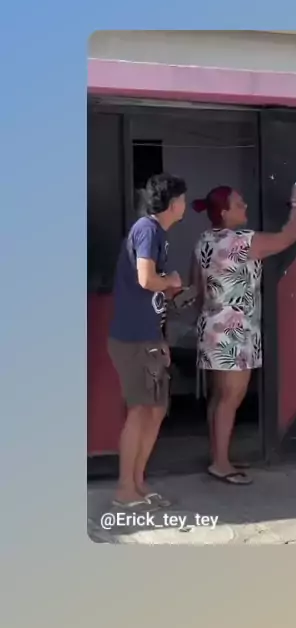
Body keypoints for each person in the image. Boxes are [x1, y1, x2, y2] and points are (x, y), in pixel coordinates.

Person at [191, 184, 296, 485]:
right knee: (231, 397)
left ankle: (219, 455)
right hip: (236, 331)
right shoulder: (241, 241)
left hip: (212, 325)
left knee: (220, 396)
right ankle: (220, 463)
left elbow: (197, 287)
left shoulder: (204, 240)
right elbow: (287, 237)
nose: (245, 208)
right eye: (239, 204)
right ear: (224, 212)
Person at [107, 173, 187, 507]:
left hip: (146, 337)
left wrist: (160, 338)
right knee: (141, 410)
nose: (185, 204)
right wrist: (171, 281)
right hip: (134, 339)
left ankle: (138, 483)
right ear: (173, 203)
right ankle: (125, 489)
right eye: (182, 199)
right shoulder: (148, 230)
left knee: (154, 409)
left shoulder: (155, 233)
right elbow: (146, 279)